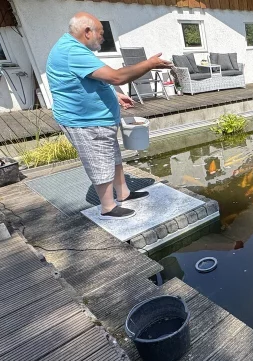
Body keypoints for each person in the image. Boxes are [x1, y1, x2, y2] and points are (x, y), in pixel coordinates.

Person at [46, 12, 172, 219]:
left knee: (112, 157)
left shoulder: (73, 48)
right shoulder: (72, 51)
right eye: (101, 33)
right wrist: (149, 64)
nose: (103, 38)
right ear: (87, 32)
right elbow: (116, 77)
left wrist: (115, 96)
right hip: (85, 121)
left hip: (97, 119)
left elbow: (91, 78)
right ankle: (108, 207)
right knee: (99, 162)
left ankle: (123, 193)